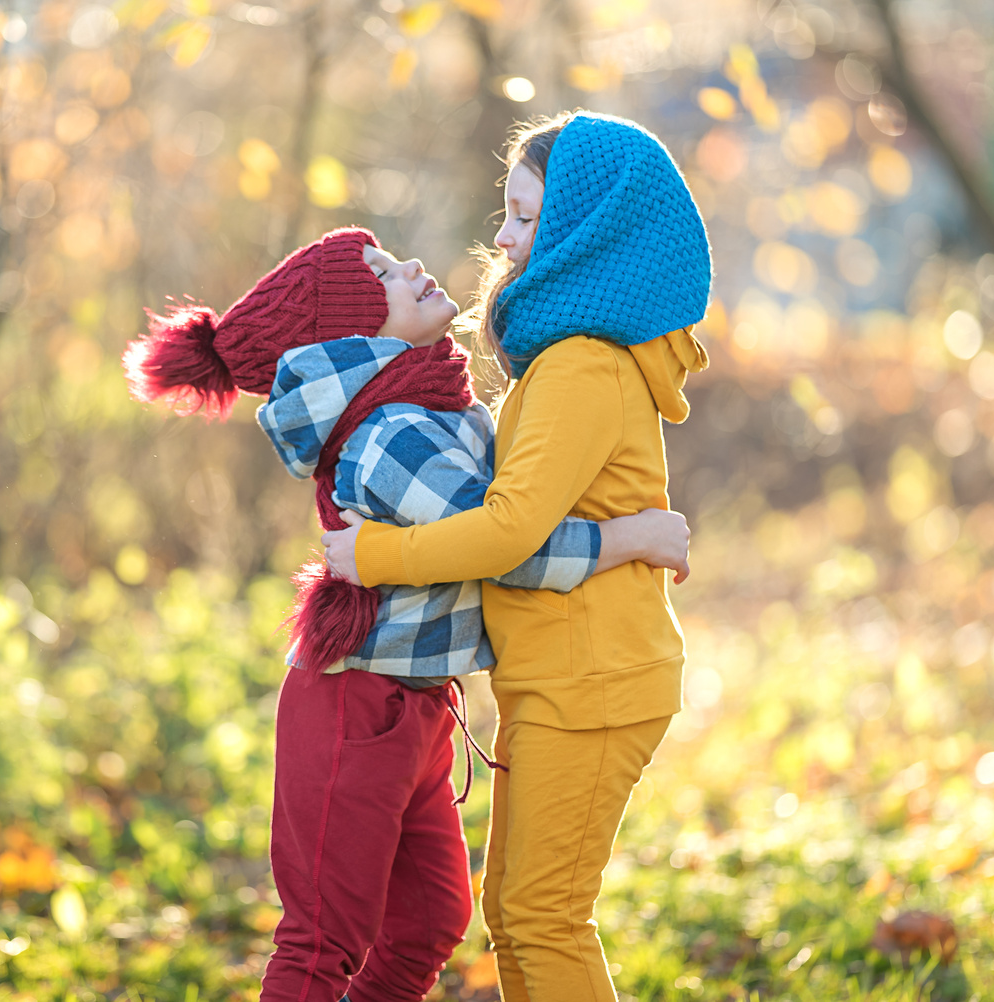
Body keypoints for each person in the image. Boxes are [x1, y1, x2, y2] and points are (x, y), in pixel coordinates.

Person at [122, 226, 691, 1002]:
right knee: (324, 935)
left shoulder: (427, 407)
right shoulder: (391, 435)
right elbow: (500, 545)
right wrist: (627, 538)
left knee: (428, 919)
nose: (414, 267)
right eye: (385, 275)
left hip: (415, 705)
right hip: (356, 707)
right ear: (354, 329)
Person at [322, 112, 713, 1002]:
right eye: (507, 211)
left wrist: (374, 554)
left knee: (542, 920)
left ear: (585, 232)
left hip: (593, 681)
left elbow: (507, 531)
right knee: (522, 915)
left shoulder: (581, 367)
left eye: (526, 215)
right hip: (565, 674)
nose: (502, 234)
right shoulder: (566, 359)